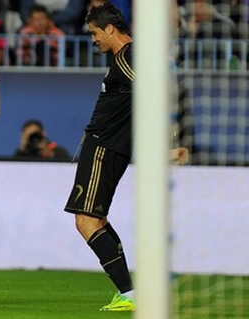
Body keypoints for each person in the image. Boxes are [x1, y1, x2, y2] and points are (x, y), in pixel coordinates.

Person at [63, 3, 188, 312]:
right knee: (97, 219)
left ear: (110, 29)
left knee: (86, 220)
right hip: (112, 148)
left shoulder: (128, 57)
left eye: (94, 33)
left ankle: (130, 293)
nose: (93, 39)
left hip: (103, 148)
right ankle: (131, 290)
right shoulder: (125, 59)